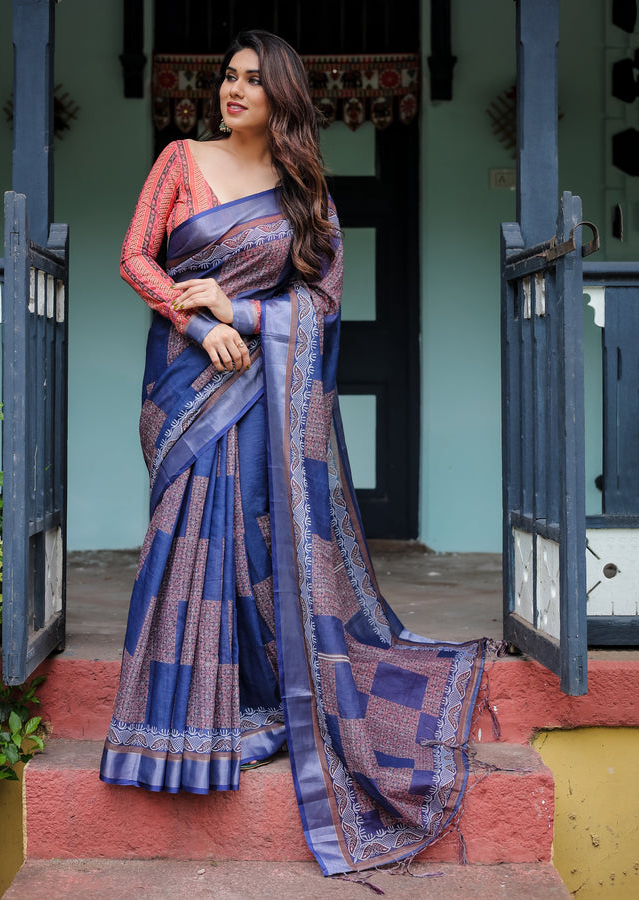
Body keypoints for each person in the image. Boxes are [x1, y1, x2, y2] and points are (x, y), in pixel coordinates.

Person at [100, 29, 487, 877]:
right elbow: (134, 256)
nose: (232, 92)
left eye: (250, 81)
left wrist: (242, 318)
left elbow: (322, 301)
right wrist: (198, 322)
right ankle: (168, 722)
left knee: (247, 542)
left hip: (257, 382)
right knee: (185, 528)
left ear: (281, 96)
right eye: (227, 79)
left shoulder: (301, 188)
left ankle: (254, 703)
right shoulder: (179, 159)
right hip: (182, 382)